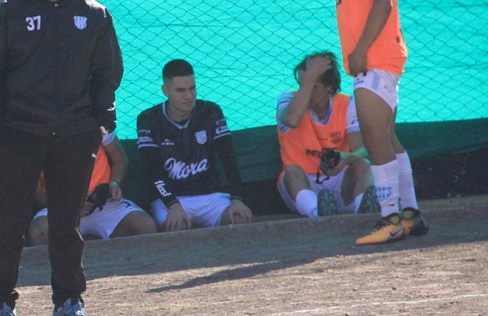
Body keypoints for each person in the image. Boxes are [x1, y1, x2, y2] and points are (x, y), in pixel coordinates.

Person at [0, 0, 123, 316]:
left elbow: (107, 73)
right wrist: (1, 125)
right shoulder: (4, 14)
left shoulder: (94, 14)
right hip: (19, 133)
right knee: (7, 223)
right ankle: (1, 308)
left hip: (75, 134)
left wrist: (99, 122)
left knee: (67, 223)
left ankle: (69, 304)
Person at [332, 0, 428, 244]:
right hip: (382, 58)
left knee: (376, 142)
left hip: (375, 61)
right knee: (388, 139)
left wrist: (359, 51)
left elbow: (382, 3)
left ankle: (390, 219)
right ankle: (411, 216)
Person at [136, 59, 254, 231]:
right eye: (181, 90)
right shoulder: (148, 119)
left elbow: (228, 158)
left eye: (192, 88)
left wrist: (237, 198)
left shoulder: (210, 111)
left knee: (240, 219)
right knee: (177, 225)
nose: (189, 96)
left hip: (211, 196)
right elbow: (152, 169)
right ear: (165, 91)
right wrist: (172, 204)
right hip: (172, 198)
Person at [277, 51, 377, 217]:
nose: (305, 90)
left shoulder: (346, 104)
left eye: (312, 85)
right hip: (303, 185)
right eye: (302, 84)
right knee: (291, 172)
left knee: (363, 164)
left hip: (339, 182)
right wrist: (310, 79)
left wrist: (345, 157)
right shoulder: (286, 100)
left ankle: (364, 212)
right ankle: (318, 212)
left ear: (328, 86)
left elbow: (361, 150)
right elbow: (292, 120)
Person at [27, 131, 156, 244]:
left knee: (145, 226)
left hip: (105, 203)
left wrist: (115, 182)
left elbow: (121, 159)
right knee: (39, 231)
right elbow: (37, 195)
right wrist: (69, 204)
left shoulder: (98, 123)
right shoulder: (38, 134)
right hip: (60, 207)